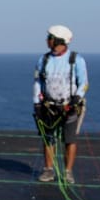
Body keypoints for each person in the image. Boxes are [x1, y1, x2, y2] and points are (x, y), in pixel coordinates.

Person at [34, 24, 88, 185]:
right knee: (48, 138)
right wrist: (37, 103)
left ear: (57, 40)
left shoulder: (76, 60)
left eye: (49, 38)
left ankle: (67, 172)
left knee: (69, 140)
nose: (47, 41)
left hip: (70, 107)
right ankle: (48, 170)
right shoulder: (43, 60)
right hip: (48, 107)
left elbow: (84, 83)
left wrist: (77, 98)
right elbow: (37, 82)